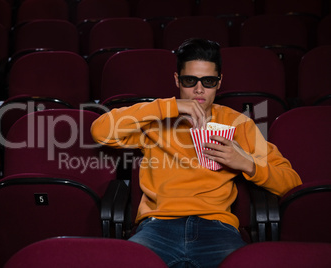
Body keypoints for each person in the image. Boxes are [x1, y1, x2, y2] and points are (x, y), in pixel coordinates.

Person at [91, 38, 302, 268]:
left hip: (217, 228)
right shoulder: (156, 121)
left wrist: (246, 163)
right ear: (177, 80)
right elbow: (100, 131)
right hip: (157, 227)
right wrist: (169, 106)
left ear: (219, 82)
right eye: (190, 80)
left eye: (208, 81)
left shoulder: (239, 124)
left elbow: (291, 182)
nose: (199, 89)